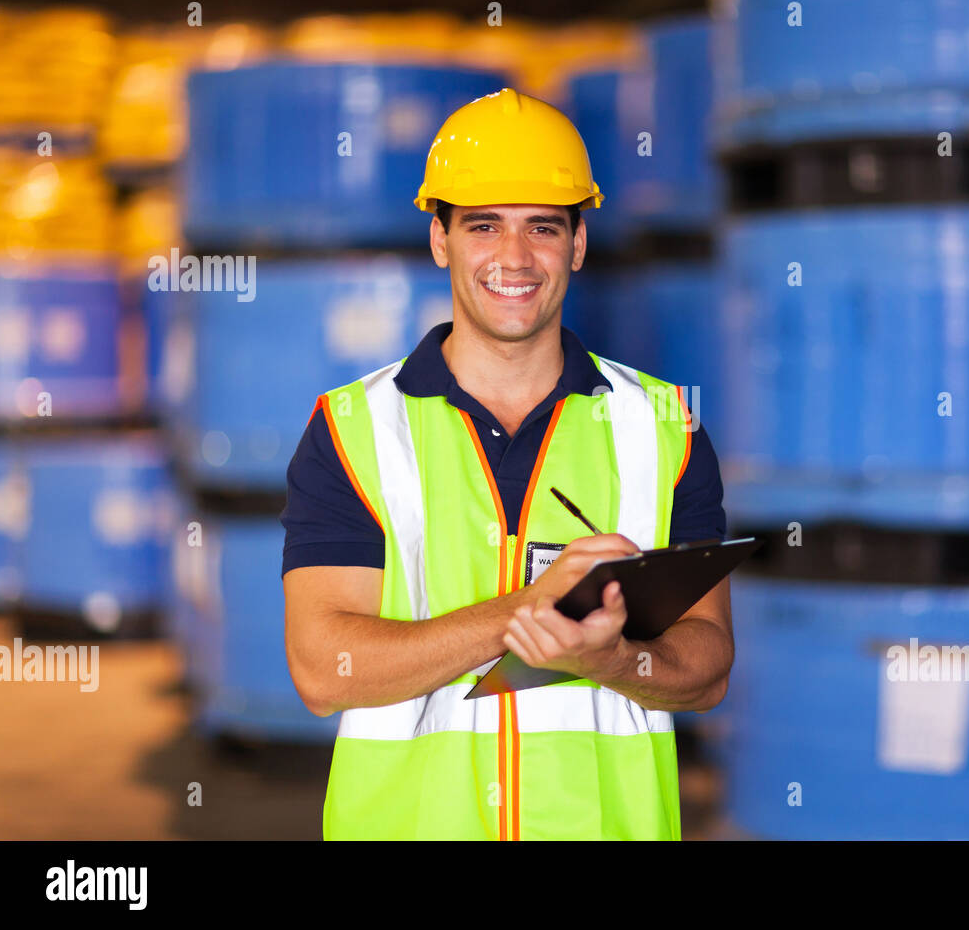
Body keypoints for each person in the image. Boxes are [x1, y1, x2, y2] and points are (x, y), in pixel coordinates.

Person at [279, 88, 732, 840]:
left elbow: (709, 667)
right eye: (484, 226)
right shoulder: (352, 431)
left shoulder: (665, 429)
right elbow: (326, 672)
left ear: (579, 245)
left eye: (543, 228)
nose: (514, 259)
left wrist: (612, 659)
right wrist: (527, 613)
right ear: (440, 238)